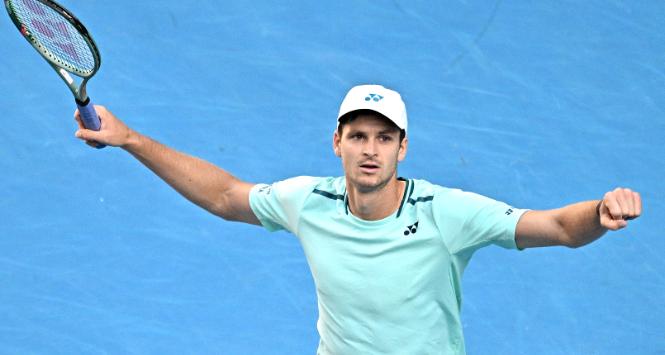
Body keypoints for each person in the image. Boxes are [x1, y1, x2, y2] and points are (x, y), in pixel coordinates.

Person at [74, 84, 642, 355]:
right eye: (359, 136)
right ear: (337, 144)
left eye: (384, 137)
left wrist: (598, 210)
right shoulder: (307, 201)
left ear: (403, 149)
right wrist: (130, 139)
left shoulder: (448, 213)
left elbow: (561, 229)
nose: (371, 149)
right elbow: (224, 196)